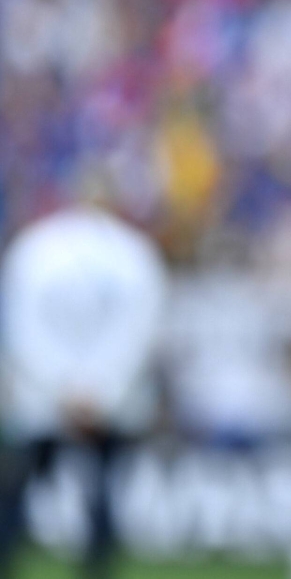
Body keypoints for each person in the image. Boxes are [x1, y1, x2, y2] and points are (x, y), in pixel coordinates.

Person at [0, 206, 167, 579]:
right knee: (41, 495)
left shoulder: (36, 247)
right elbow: (140, 329)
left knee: (45, 495)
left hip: (49, 399)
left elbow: (22, 329)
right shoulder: (130, 250)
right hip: (99, 401)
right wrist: (98, 389)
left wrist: (64, 388)